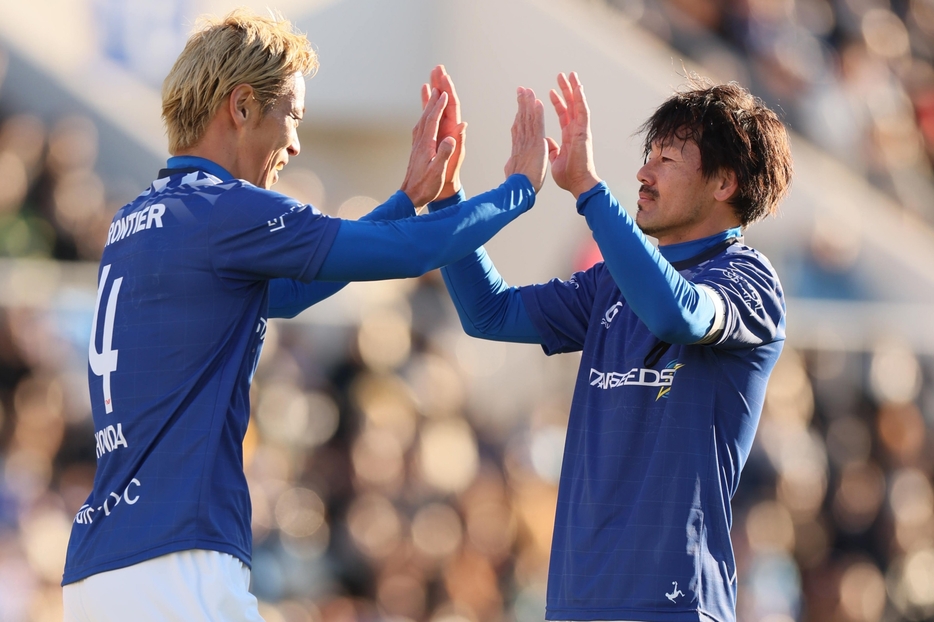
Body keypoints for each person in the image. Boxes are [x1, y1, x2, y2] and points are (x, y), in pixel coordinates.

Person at [61, 9, 548, 621]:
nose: (294, 143)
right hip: (176, 562)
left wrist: (405, 199)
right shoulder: (225, 212)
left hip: (100, 568)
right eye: (291, 115)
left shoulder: (136, 221)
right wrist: (518, 190)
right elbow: (408, 253)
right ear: (241, 107)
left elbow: (290, 289)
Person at [432, 71, 792, 622]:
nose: (643, 173)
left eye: (667, 160)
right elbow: (489, 312)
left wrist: (589, 193)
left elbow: (679, 315)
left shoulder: (749, 279)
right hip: (576, 603)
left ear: (724, 183)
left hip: (675, 606)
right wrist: (446, 201)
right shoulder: (608, 283)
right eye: (648, 155)